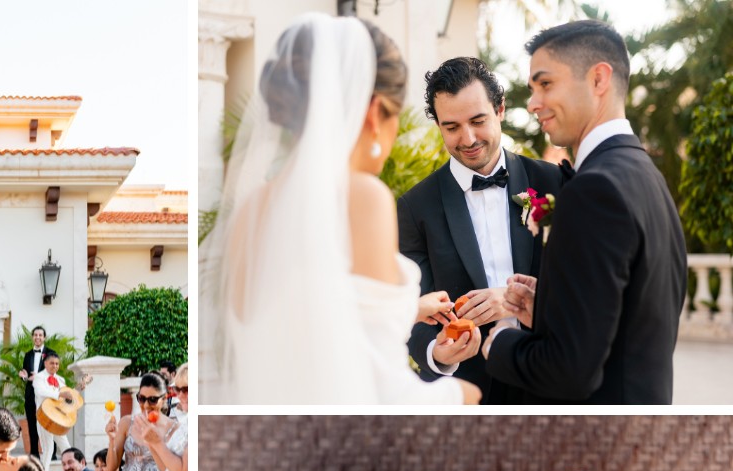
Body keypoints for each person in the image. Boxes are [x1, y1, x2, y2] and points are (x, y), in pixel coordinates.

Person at [205, 12, 481, 406]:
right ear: (373, 113)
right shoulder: (362, 196)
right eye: (393, 120)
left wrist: (409, 309)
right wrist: (460, 394)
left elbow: (313, 330)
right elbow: (376, 386)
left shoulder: (251, 209)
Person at [484, 20, 687, 404]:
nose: (533, 103)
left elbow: (569, 374)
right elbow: (633, 319)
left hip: (600, 439)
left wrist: (502, 345)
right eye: (532, 89)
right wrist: (549, 307)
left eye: (546, 84)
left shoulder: (594, 190)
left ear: (598, 80)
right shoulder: (646, 175)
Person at [397, 57, 562, 403]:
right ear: (439, 126)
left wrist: (518, 302)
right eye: (452, 127)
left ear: (500, 110)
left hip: (552, 380)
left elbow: (583, 285)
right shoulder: (415, 208)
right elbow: (412, 307)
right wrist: (437, 356)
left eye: (478, 121)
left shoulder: (553, 182)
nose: (468, 138)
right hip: (470, 393)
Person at [32, 351, 77, 465]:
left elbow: (65, 397)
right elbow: (40, 391)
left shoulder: (61, 380)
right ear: (45, 363)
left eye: (57, 364)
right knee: (48, 450)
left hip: (58, 419)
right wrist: (60, 394)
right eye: (52, 363)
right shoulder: (39, 378)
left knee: (67, 448)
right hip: (44, 417)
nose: (55, 366)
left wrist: (76, 390)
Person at [19, 325, 55, 458]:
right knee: (32, 423)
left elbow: (53, 372)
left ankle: (51, 453)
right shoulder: (28, 355)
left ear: (44, 337)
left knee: (48, 423)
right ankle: (34, 452)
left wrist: (38, 377)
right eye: (35, 335)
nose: (37, 337)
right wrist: (23, 375)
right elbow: (26, 372)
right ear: (32, 337)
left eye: (40, 335)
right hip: (30, 394)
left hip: (45, 394)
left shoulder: (51, 354)